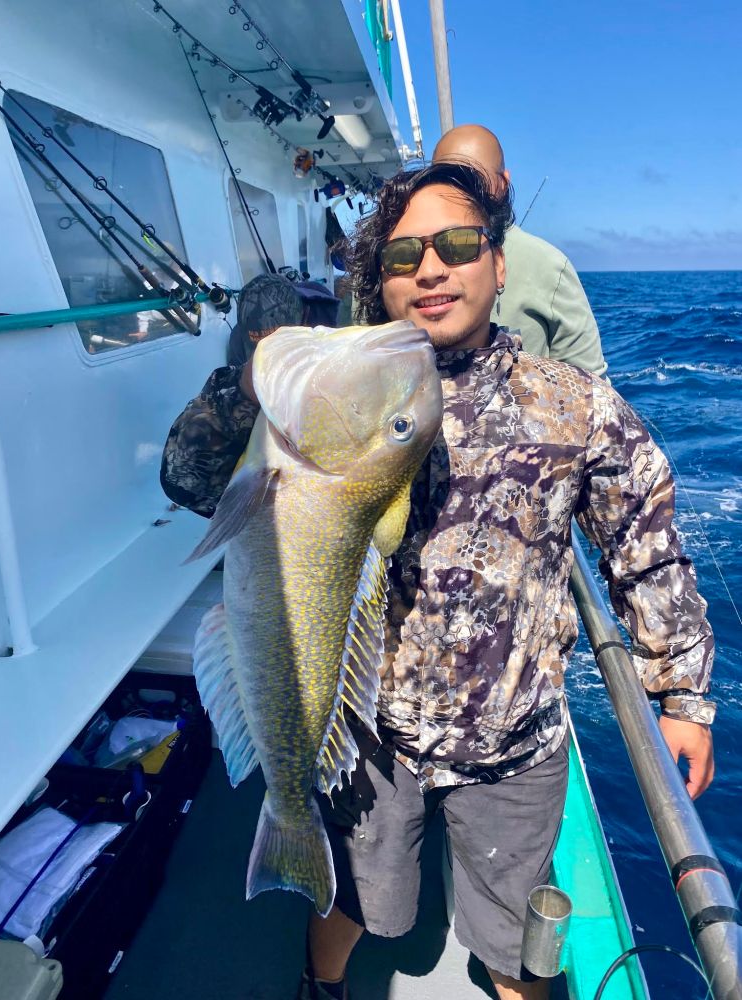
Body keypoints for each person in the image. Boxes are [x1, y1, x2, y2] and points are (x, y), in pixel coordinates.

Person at [160, 162, 715, 1000]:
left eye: (456, 244)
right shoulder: (330, 379)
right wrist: (246, 390)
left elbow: (645, 544)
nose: (429, 268)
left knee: (513, 935)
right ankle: (322, 984)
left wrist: (680, 697)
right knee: (358, 901)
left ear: (498, 262)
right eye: (401, 255)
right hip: (370, 732)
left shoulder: (574, 404)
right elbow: (187, 477)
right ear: (377, 281)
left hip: (513, 741)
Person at [434, 125, 608, 377]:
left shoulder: (550, 266)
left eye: (475, 181)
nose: (463, 193)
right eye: (449, 182)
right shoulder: (550, 262)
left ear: (499, 263)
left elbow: (589, 386)